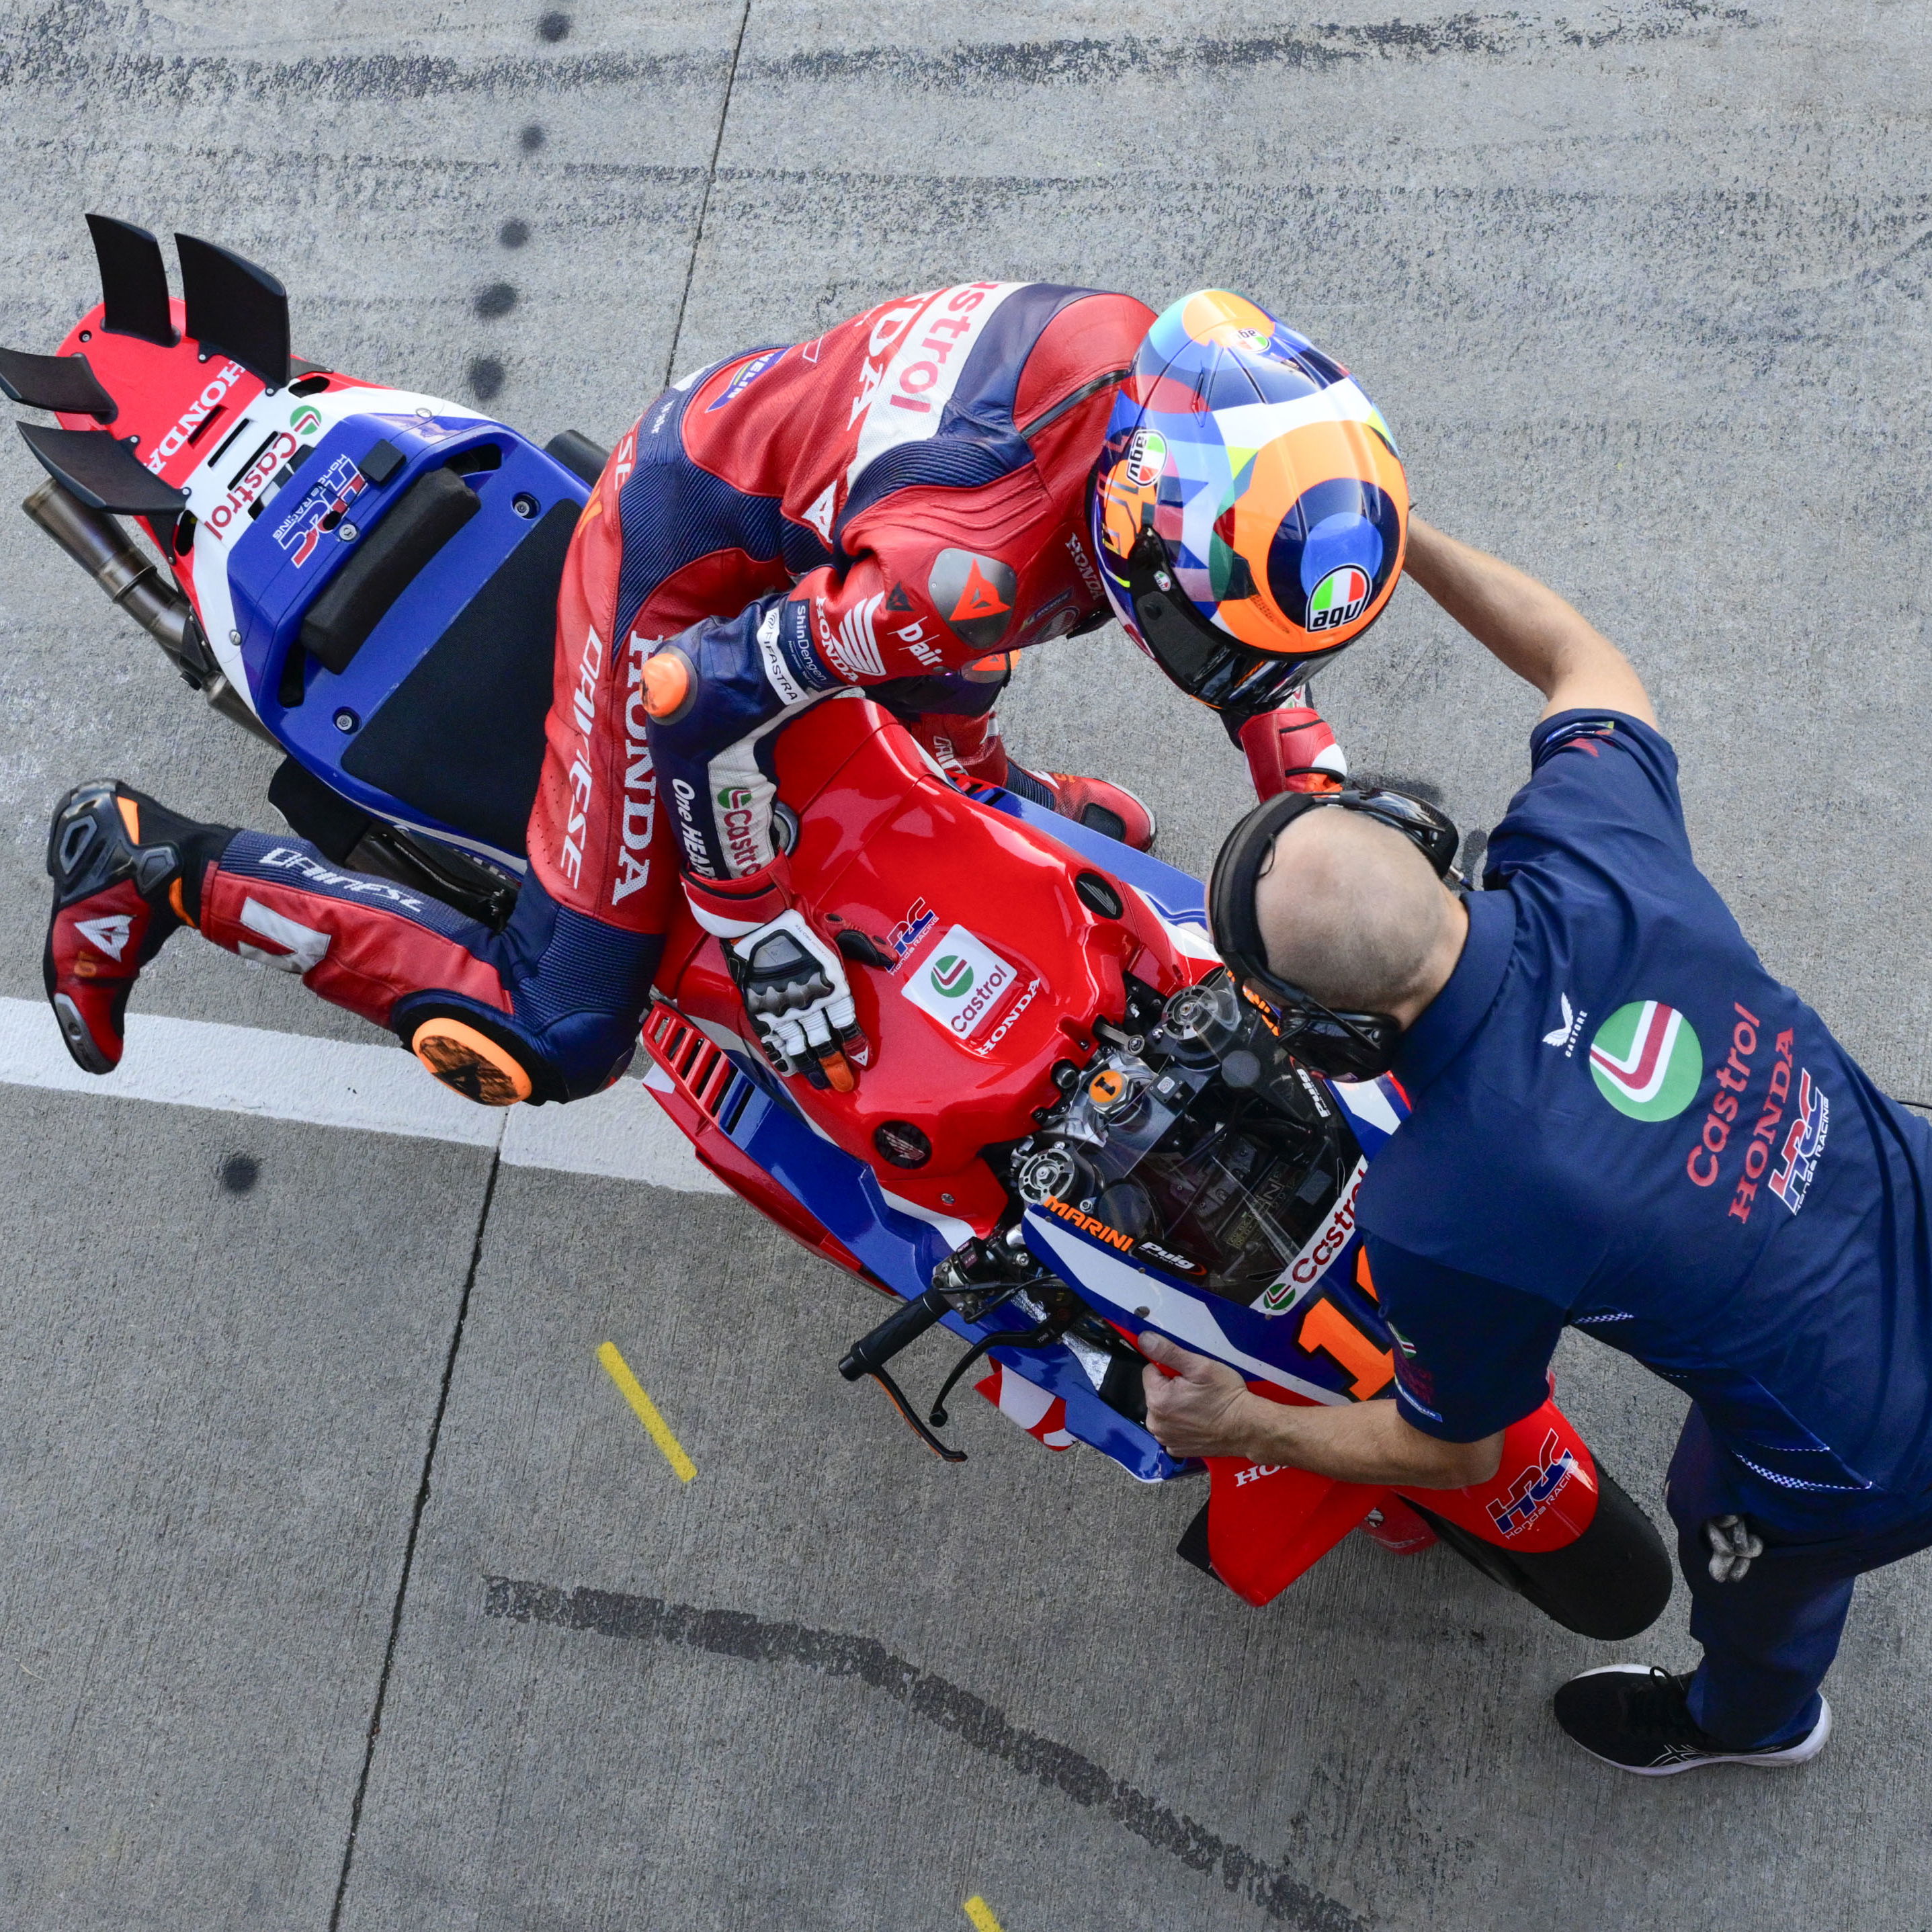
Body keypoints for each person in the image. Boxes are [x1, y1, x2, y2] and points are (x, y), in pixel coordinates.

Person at [44, 285, 1405, 1105]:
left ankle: (986, 790)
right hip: (671, 586)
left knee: (960, 675)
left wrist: (1319, 802)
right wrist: (759, 932)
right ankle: (152, 866)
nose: (1229, 674)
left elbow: (1251, 593)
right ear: (1132, 526)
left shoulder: (1170, 382)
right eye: (1204, 637)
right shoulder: (963, 577)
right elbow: (692, 697)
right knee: (559, 1031)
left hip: (812, 496)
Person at [1141, 513, 1932, 1775]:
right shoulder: (1591, 844)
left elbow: (1455, 1448)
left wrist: (1241, 1428)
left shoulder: (1443, 1210)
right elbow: (1577, 657)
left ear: (1332, 1034)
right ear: (1415, 834)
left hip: (1864, 1453)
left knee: (1734, 1540)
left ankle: (1754, 1723)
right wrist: (1397, 533)